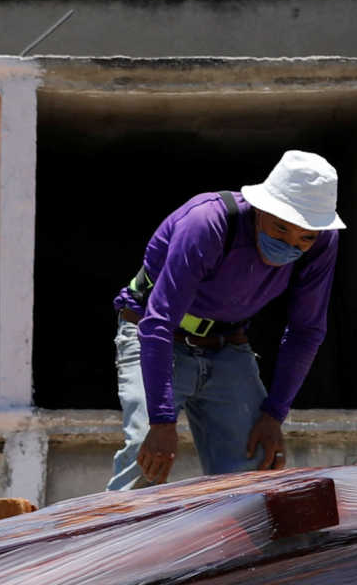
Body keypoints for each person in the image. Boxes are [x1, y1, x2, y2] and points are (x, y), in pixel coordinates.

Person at [111, 150, 342, 489]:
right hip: (158, 336)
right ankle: (116, 541)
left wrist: (273, 413)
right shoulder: (207, 224)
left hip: (228, 346)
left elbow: (306, 330)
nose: (290, 244)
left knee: (255, 467)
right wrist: (161, 421)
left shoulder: (322, 242)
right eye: (280, 229)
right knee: (144, 458)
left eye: (304, 237)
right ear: (262, 207)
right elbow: (158, 321)